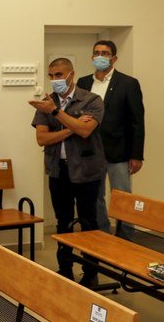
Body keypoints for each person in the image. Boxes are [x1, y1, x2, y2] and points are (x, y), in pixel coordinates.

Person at [29, 58, 106, 287]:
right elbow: (42, 138)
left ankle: (91, 272)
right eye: (51, 76)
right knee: (63, 221)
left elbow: (86, 130)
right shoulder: (47, 103)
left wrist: (57, 114)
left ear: (71, 74)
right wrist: (70, 128)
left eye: (59, 75)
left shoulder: (92, 100)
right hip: (58, 170)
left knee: (88, 222)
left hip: (86, 171)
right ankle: (65, 270)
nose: (55, 80)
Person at [77, 40, 145, 240]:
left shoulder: (128, 83)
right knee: (94, 197)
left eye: (105, 53)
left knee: (122, 197)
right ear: (91, 57)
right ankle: (102, 237)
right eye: (97, 52)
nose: (100, 56)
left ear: (114, 58)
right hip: (90, 152)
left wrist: (136, 155)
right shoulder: (83, 82)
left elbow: (137, 122)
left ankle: (125, 238)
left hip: (120, 152)